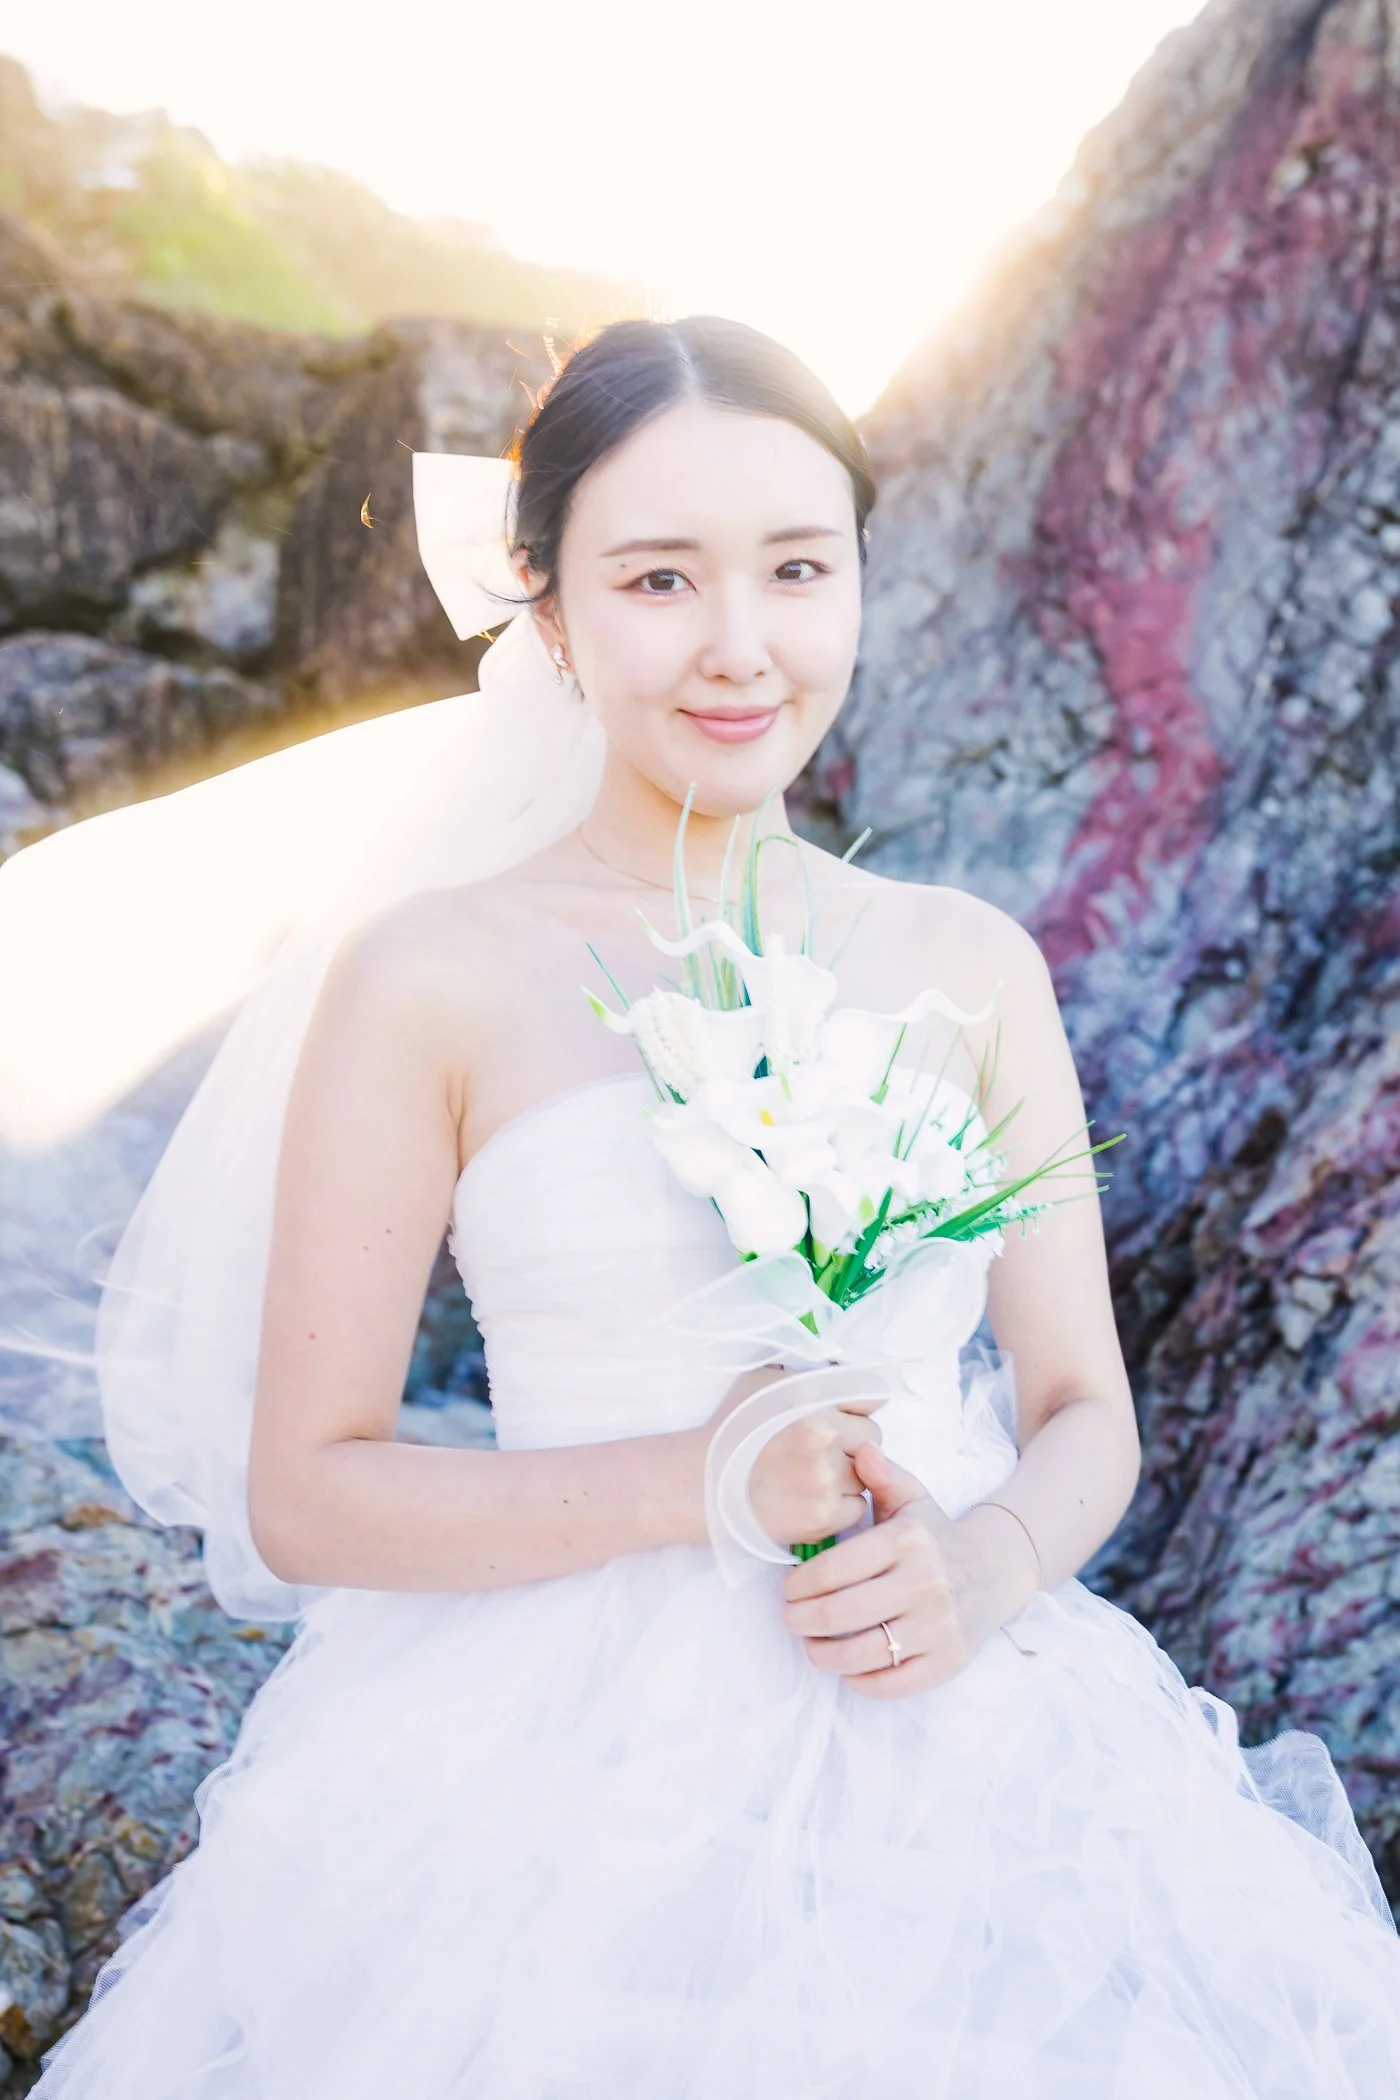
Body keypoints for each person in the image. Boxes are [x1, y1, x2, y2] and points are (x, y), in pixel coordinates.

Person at [20, 316, 1400, 2096]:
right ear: (549, 608)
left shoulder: (966, 963)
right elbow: (307, 1491)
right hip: (542, 1763)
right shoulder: (433, 971)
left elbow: (1082, 1413)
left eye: (797, 569)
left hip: (954, 1714)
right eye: (660, 578)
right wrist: (705, 1484)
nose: (741, 647)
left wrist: (985, 1565)